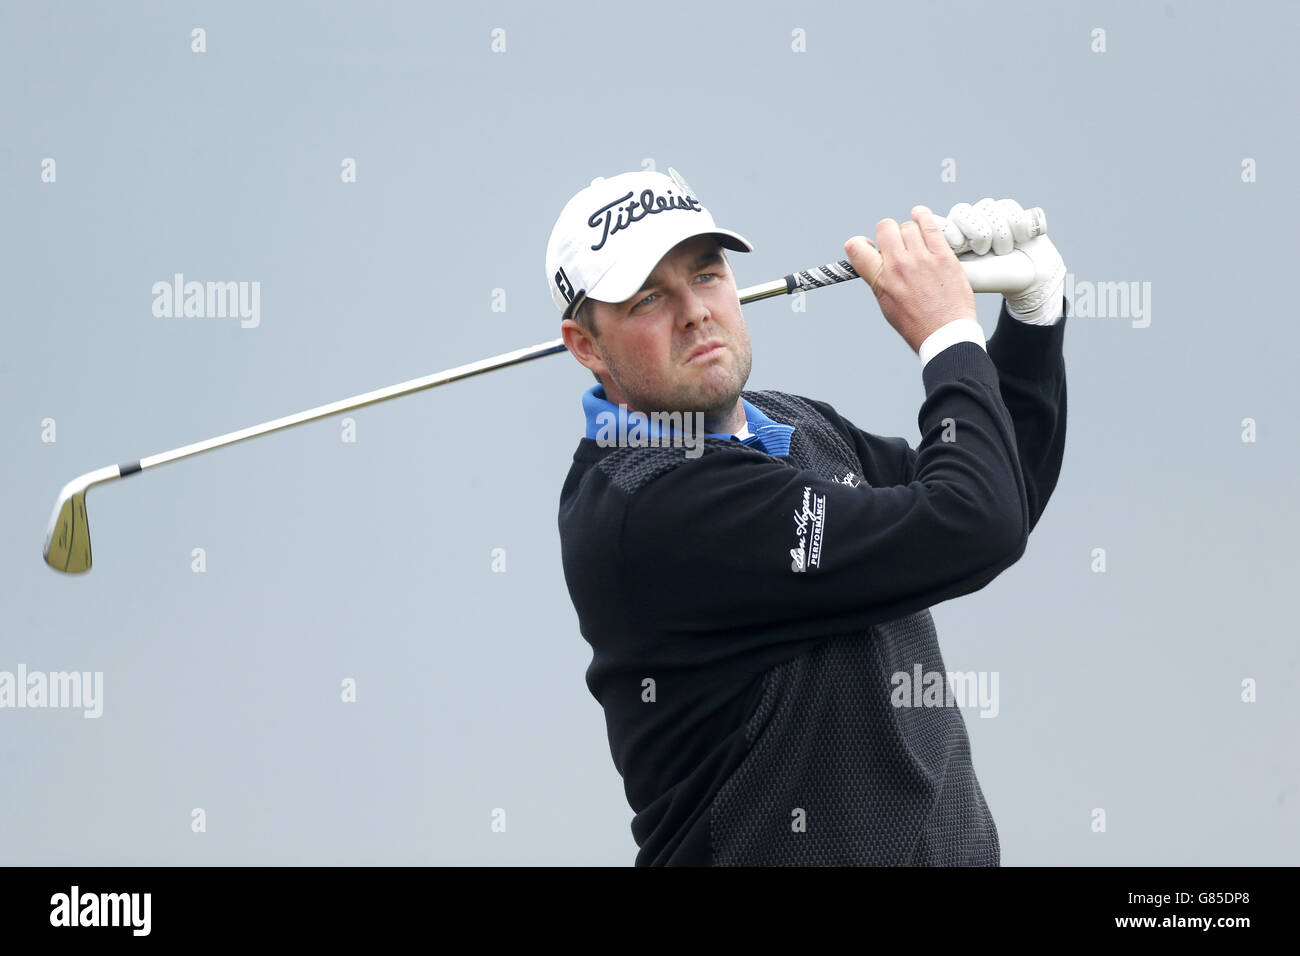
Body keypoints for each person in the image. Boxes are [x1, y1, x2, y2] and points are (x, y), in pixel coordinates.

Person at [547, 167, 1068, 866]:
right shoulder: (651, 505)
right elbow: (974, 523)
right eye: (648, 298)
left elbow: (1003, 497)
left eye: (706, 275)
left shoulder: (796, 424)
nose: (695, 310)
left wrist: (1033, 322)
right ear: (586, 346)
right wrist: (946, 336)